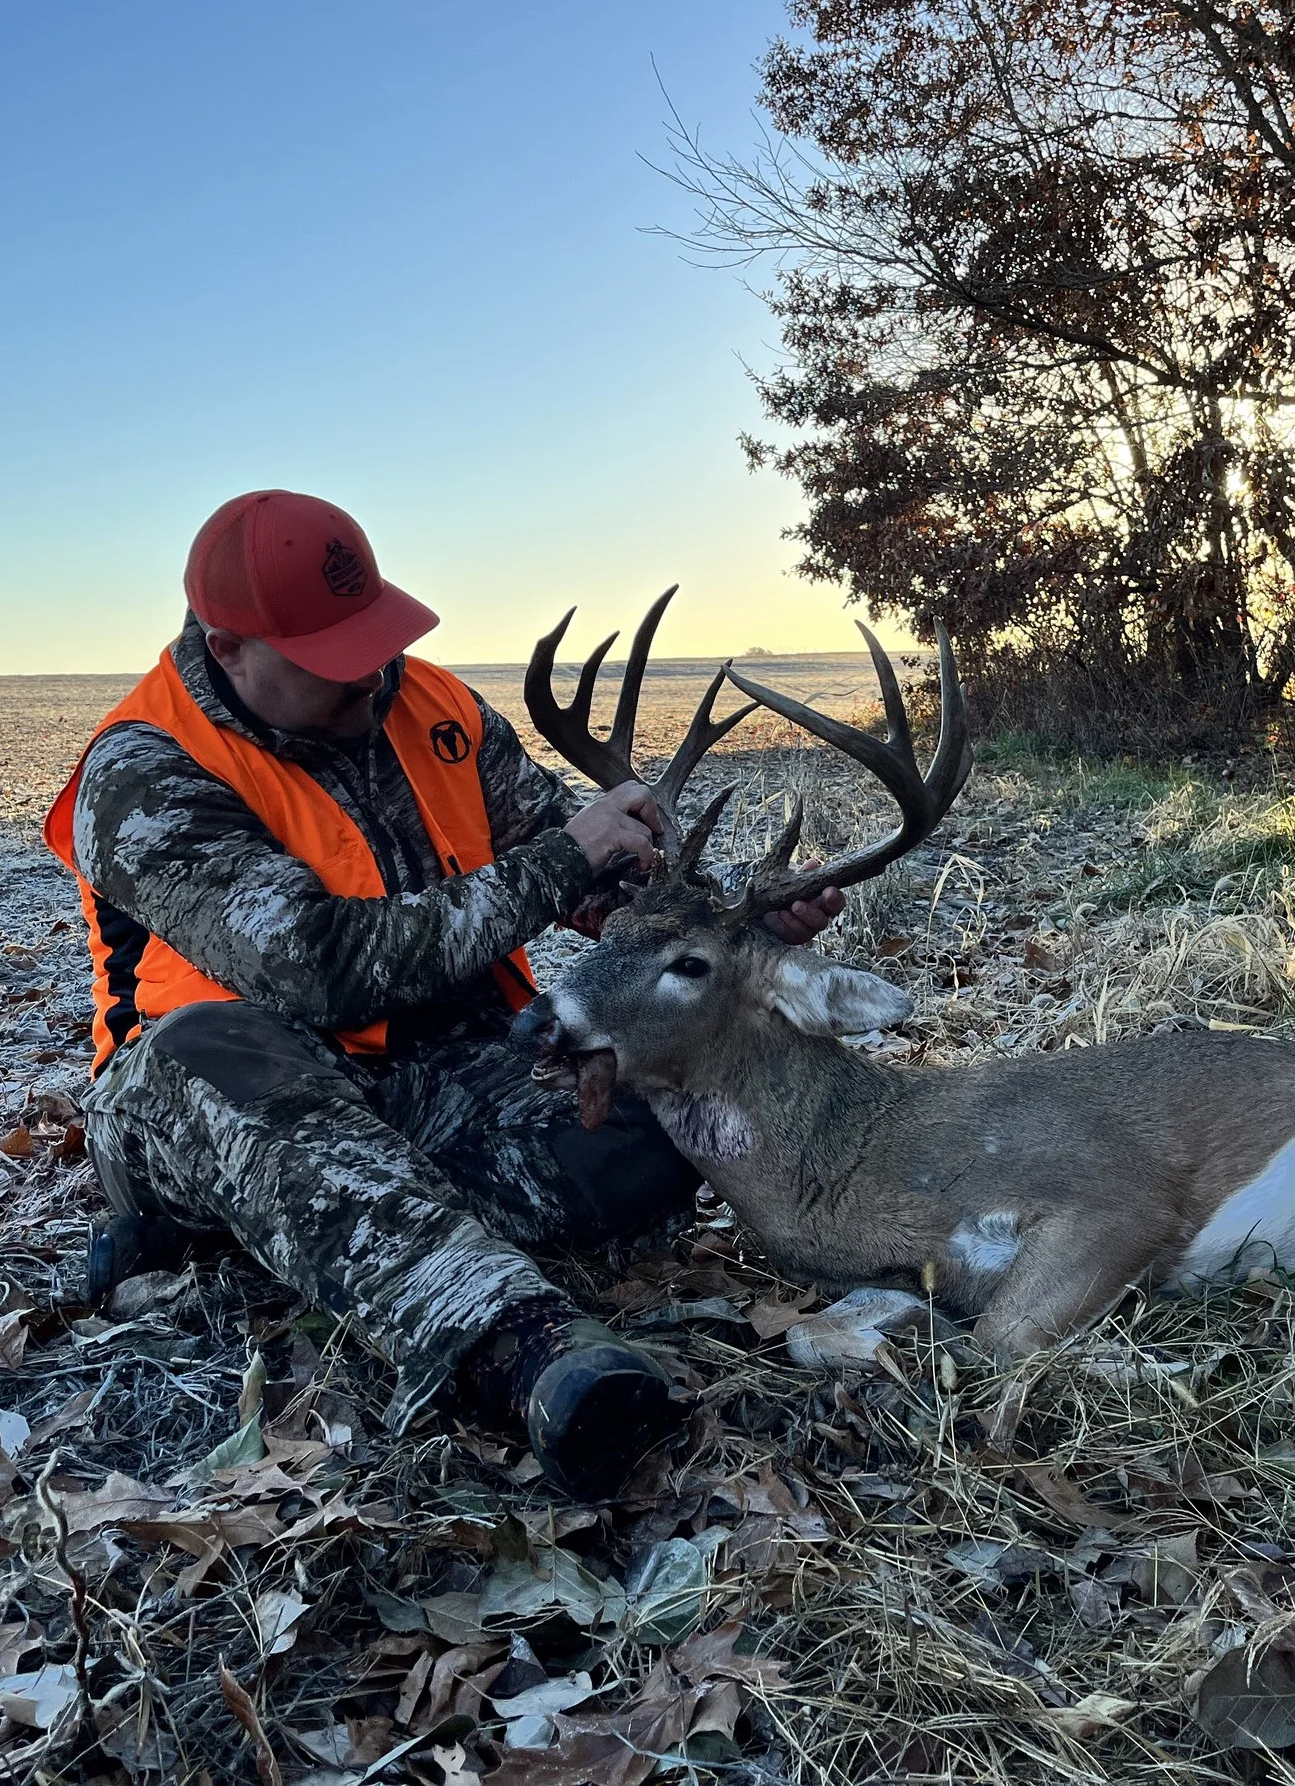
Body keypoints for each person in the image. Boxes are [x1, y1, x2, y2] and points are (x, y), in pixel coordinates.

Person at [42, 490, 839, 1497]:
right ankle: (527, 1347)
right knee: (221, 1055)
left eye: (370, 639)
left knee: (657, 1132)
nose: (368, 674)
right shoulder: (144, 769)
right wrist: (557, 864)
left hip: (445, 1068)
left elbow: (596, 880)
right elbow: (316, 968)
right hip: (217, 1084)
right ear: (227, 646)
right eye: (328, 658)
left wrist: (733, 929)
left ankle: (290, 1224)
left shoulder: (440, 711)